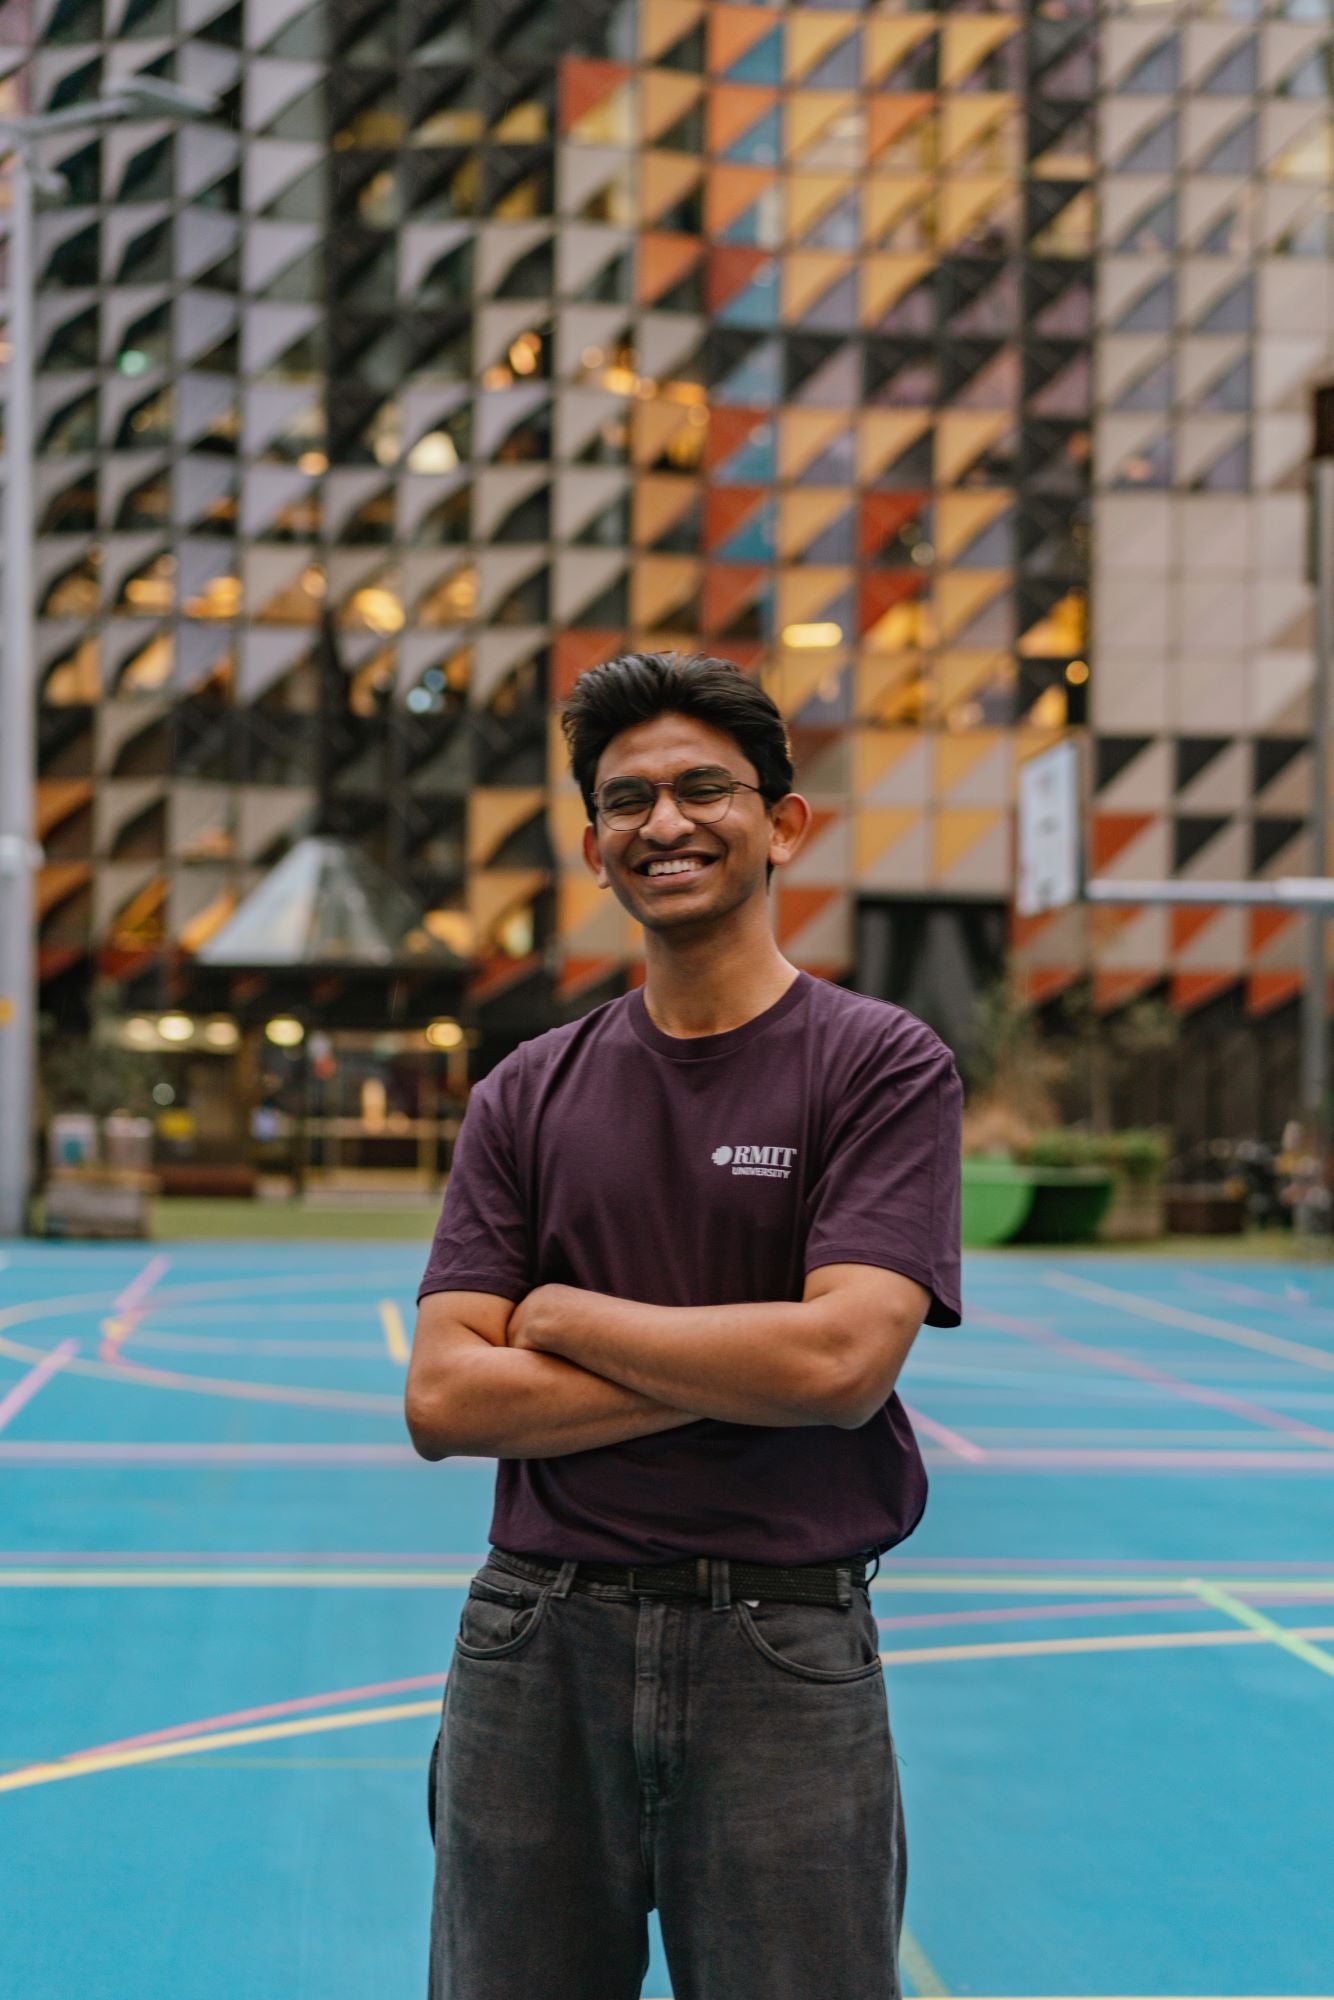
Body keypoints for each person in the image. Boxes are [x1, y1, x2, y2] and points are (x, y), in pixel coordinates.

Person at [406, 651, 963, 2000]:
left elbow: (841, 1366)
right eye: (629, 799)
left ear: (781, 823)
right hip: (536, 1643)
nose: (666, 822)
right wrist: (750, 1362)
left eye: (703, 789)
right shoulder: (525, 1093)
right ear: (594, 848)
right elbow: (444, 1402)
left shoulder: (880, 1065)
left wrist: (566, 1316)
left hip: (779, 1644)